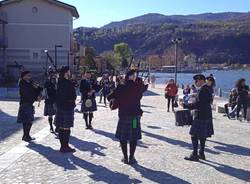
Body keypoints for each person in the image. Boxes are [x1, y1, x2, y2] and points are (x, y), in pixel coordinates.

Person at [107, 70, 148, 165]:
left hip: (124, 116)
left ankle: (125, 158)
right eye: (134, 75)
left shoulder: (121, 87)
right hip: (134, 117)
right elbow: (143, 90)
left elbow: (109, 97)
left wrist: (117, 97)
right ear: (131, 76)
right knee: (133, 137)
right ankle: (131, 157)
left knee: (123, 137)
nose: (135, 76)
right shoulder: (137, 87)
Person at [183, 74, 214, 161]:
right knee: (202, 135)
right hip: (207, 114)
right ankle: (201, 153)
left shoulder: (203, 90)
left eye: (196, 81)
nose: (195, 83)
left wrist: (187, 105)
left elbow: (199, 104)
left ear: (201, 80)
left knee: (194, 134)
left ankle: (195, 154)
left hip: (200, 115)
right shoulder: (207, 88)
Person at [17, 71, 43, 142]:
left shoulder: (29, 83)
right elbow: (29, 94)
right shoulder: (23, 84)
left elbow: (39, 89)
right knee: (28, 121)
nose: (29, 77)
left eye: (30, 75)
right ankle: (26, 135)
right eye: (28, 75)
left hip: (28, 104)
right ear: (24, 76)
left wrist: (37, 88)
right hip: (25, 104)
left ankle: (26, 135)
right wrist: (35, 97)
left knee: (27, 121)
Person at [56, 66, 76, 153]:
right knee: (67, 128)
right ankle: (65, 146)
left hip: (60, 106)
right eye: (68, 71)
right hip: (67, 107)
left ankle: (63, 146)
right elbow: (72, 96)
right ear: (65, 73)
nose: (70, 73)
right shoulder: (67, 83)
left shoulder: (59, 82)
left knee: (61, 127)